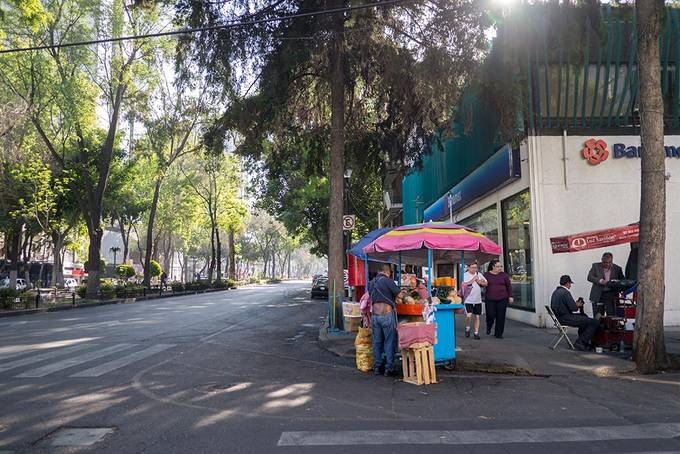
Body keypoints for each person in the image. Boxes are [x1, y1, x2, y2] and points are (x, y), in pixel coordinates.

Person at [367, 263, 402, 377]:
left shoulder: (371, 283)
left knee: (377, 342)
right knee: (389, 341)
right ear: (388, 272)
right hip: (386, 314)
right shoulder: (388, 281)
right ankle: (389, 367)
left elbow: (370, 296)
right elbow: (400, 295)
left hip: (375, 316)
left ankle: (377, 366)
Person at [551, 275, 599, 351]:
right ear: (567, 283)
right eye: (570, 284)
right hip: (565, 318)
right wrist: (578, 305)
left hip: (560, 317)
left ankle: (583, 340)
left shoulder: (556, 292)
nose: (570, 286)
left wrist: (575, 304)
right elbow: (573, 308)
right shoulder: (565, 292)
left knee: (584, 316)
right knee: (594, 322)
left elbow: (566, 305)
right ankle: (581, 342)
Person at [587, 252, 625, 317]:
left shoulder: (617, 269)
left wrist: (621, 289)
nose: (607, 264)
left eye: (609, 262)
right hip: (598, 294)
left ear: (612, 261)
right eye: (605, 262)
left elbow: (622, 281)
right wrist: (600, 281)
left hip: (611, 294)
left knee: (612, 315)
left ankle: (610, 326)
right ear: (602, 260)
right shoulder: (595, 266)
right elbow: (589, 277)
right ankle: (599, 326)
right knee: (598, 316)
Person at [483, 259, 513, 339]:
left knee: (501, 316)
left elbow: (509, 286)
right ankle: (489, 326)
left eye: (501, 266)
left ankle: (498, 333)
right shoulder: (486, 275)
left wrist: (510, 296)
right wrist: (483, 284)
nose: (500, 268)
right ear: (493, 267)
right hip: (490, 298)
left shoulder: (504, 275)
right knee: (490, 315)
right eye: (498, 266)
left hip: (502, 298)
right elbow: (481, 285)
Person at [463, 262, 487, 340]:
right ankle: (467, 327)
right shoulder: (464, 275)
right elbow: (464, 284)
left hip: (477, 299)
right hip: (468, 299)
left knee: (477, 316)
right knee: (468, 315)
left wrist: (481, 282)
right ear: (468, 267)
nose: (474, 269)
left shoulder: (479, 274)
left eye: (475, 267)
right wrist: (474, 279)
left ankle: (476, 333)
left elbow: (486, 283)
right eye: (473, 267)